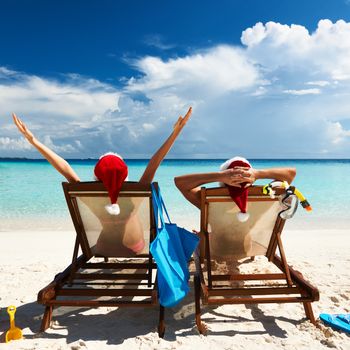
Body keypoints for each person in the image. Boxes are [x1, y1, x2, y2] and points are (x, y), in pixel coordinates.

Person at [13, 107, 192, 255]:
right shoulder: (134, 196)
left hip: (103, 248)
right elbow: (154, 163)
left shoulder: (91, 198)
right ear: (125, 175)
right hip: (135, 249)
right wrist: (175, 133)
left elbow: (65, 168)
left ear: (96, 177)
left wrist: (33, 140)